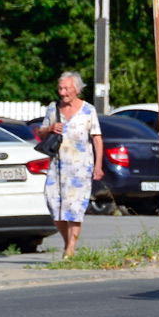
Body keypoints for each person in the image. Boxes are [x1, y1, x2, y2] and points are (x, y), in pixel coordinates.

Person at [38, 71, 104, 257]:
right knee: (53, 203)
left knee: (74, 207)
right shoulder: (53, 109)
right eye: (60, 88)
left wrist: (98, 166)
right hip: (57, 167)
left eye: (67, 88)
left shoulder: (88, 110)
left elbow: (97, 139)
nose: (63, 92)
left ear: (76, 89)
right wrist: (50, 128)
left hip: (80, 168)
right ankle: (69, 242)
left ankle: (70, 249)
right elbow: (41, 133)